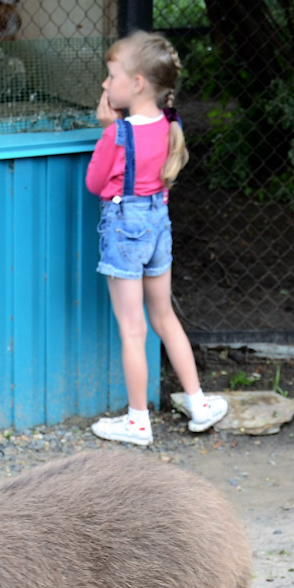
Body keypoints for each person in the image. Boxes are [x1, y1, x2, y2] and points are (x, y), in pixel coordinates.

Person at [86, 31, 226, 446]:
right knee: (163, 317)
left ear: (137, 84)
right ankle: (199, 403)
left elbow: (96, 183)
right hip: (158, 225)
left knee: (133, 330)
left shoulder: (119, 133)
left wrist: (105, 129)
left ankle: (137, 422)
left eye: (111, 77)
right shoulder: (170, 124)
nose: (105, 85)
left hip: (125, 229)